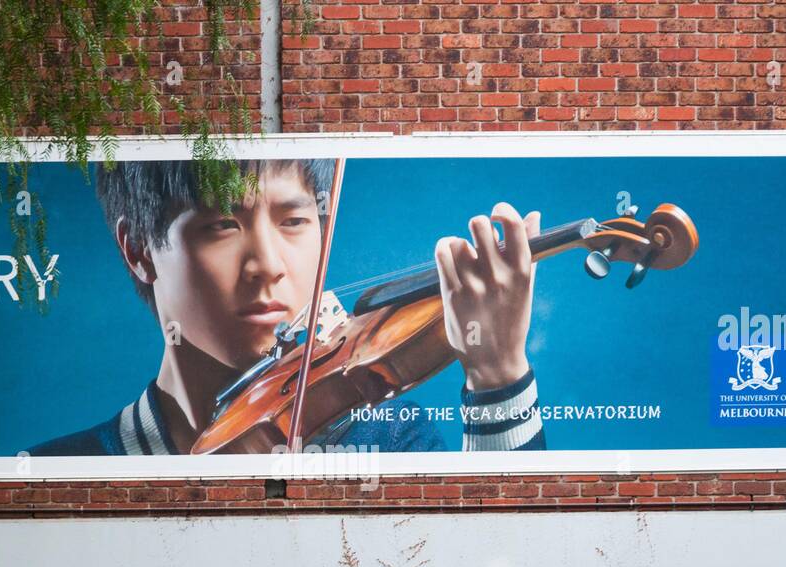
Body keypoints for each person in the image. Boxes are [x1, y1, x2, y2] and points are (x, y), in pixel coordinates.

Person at [30, 158, 546, 456]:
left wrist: (499, 377)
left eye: (293, 221)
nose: (269, 265)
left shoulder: (392, 438)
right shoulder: (58, 465)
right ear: (139, 250)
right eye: (221, 226)